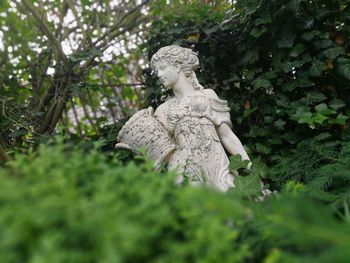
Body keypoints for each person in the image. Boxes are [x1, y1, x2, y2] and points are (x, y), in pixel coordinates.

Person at [150, 45, 251, 191]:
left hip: (218, 167)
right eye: (156, 71)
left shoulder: (207, 96)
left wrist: (250, 170)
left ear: (177, 65)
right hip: (185, 174)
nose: (159, 75)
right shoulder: (163, 110)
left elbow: (227, 136)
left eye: (163, 68)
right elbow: (163, 153)